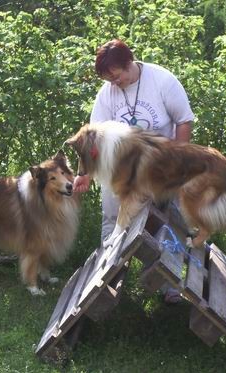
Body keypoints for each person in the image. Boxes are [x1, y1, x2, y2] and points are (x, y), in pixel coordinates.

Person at [73, 39, 195, 303]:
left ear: (129, 63)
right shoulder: (107, 92)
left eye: (117, 77)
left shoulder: (162, 80)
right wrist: (85, 174)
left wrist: (177, 158)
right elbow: (92, 139)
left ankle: (169, 283)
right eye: (109, 80)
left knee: (168, 222)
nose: (114, 84)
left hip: (158, 168)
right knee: (111, 218)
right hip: (118, 172)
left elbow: (184, 120)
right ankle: (107, 278)